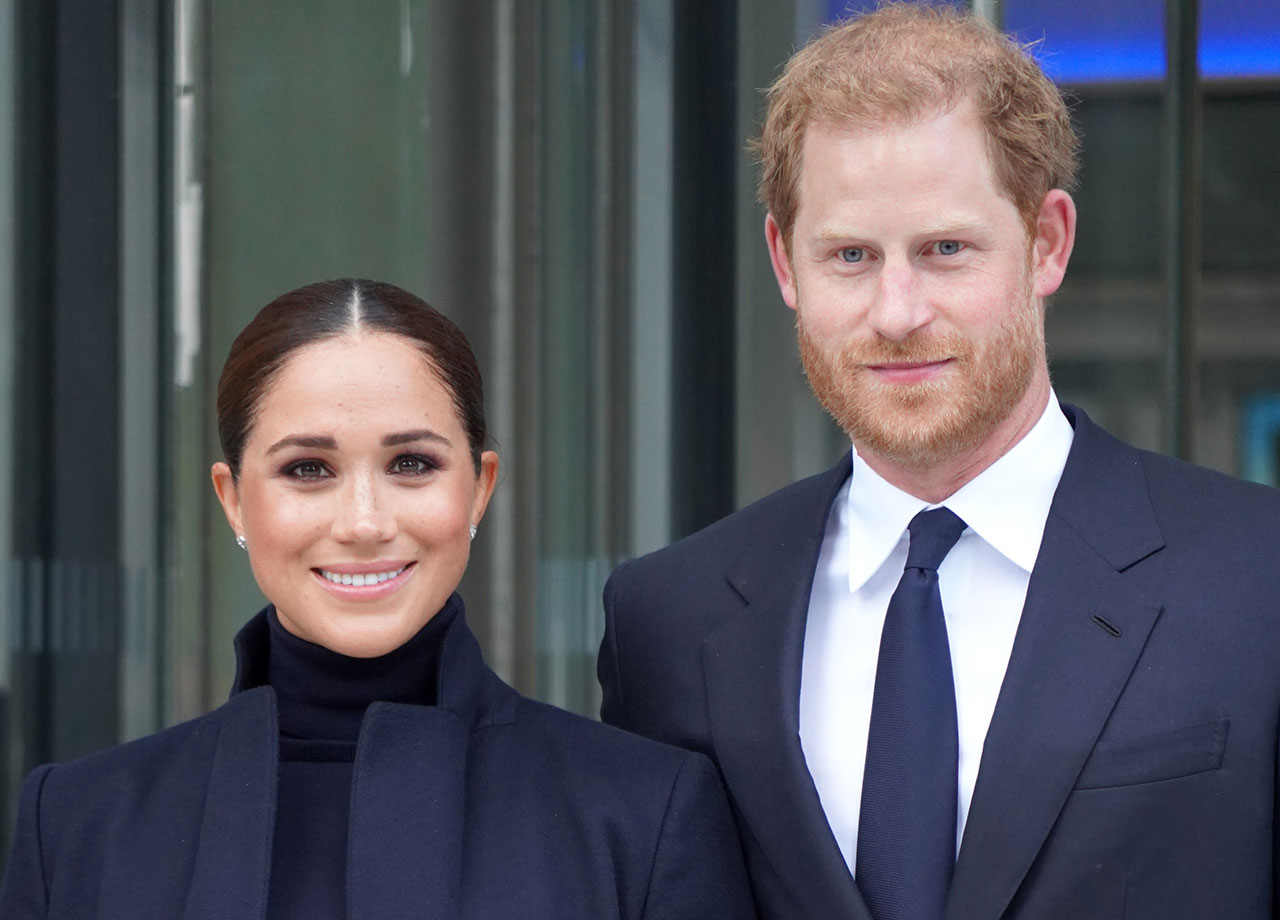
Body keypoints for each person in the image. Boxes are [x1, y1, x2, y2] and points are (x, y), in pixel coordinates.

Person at [599, 5, 1280, 920]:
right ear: (784, 263)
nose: (896, 310)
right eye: (850, 256)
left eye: (944, 249)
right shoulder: (667, 623)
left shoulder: (1258, 578)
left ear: (1048, 243)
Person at [0, 278, 756, 919]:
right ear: (233, 501)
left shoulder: (645, 815)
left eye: (412, 463)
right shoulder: (75, 826)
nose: (364, 523)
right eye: (307, 470)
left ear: (479, 488)